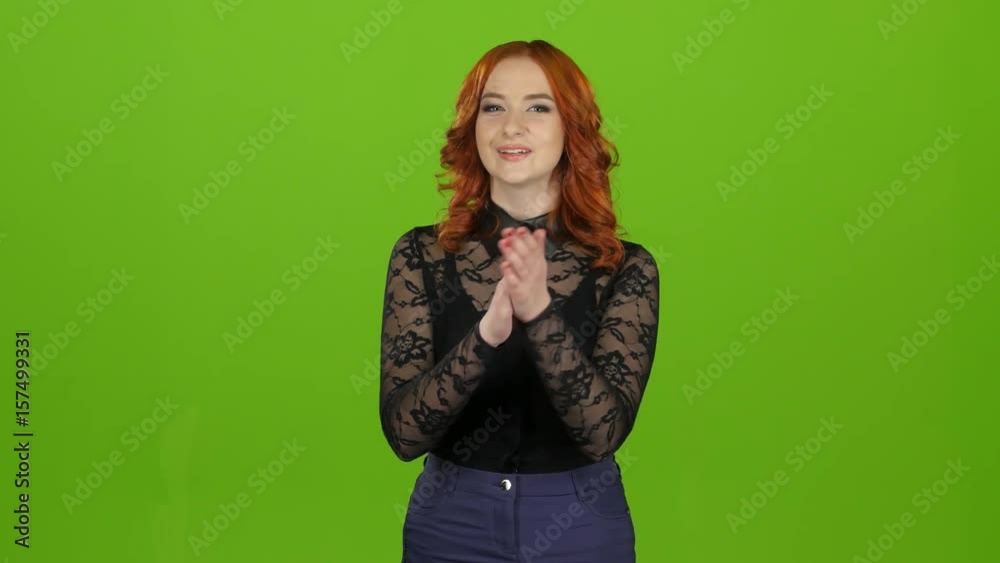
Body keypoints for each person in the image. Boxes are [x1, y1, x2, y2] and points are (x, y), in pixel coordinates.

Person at [379, 39, 660, 563]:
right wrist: (486, 335)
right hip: (450, 522)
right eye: (493, 107)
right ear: (472, 126)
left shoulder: (626, 267)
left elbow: (602, 434)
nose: (512, 127)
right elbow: (404, 435)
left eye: (537, 107)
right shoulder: (420, 254)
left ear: (571, 127)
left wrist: (539, 315)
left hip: (580, 524)